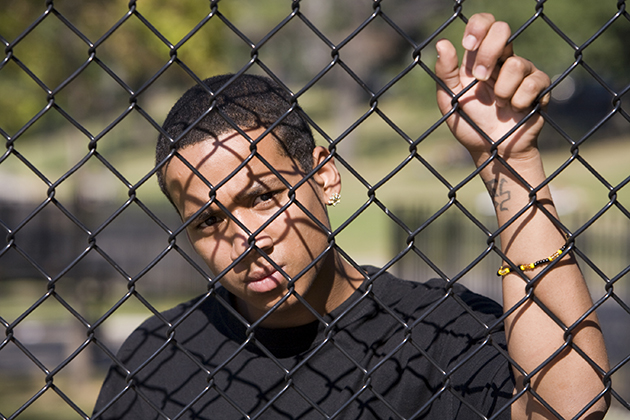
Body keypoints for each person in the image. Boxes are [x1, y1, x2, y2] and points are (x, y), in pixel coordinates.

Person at [93, 14, 609, 420]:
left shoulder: (439, 333)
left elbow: (568, 407)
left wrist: (511, 164)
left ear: (324, 177)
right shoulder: (157, 362)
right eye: (208, 221)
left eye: (264, 197)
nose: (244, 239)